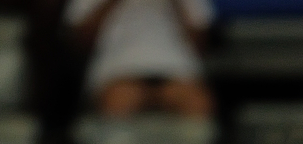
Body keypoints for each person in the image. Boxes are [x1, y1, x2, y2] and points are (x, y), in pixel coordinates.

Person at [66, 0, 212, 116]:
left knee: (196, 104)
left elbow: (200, 44)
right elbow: (80, 43)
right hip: (118, 69)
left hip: (175, 69)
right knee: (118, 103)